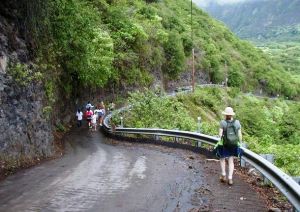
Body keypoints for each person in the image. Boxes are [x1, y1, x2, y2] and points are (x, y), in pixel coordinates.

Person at [214, 107, 243, 186]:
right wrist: (240, 143)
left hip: (225, 144)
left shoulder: (222, 122)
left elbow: (220, 135)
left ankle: (223, 174)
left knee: (222, 158)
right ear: (232, 114)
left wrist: (220, 140)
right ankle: (230, 178)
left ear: (225, 115)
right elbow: (240, 135)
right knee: (231, 161)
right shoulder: (237, 122)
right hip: (234, 144)